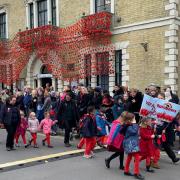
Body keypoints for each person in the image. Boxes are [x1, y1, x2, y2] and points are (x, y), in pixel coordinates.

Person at [123, 113, 144, 180]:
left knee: (129, 157)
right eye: (134, 118)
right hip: (131, 144)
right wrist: (136, 124)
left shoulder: (129, 125)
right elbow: (134, 131)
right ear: (130, 120)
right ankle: (136, 173)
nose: (135, 119)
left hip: (131, 143)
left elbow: (135, 133)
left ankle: (126, 170)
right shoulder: (129, 126)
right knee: (137, 158)